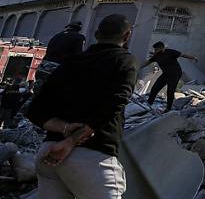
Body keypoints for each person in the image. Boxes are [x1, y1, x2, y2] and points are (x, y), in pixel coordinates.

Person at [25, 14, 137, 199]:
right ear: (127, 36)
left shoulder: (69, 63)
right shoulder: (124, 60)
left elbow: (35, 111)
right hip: (92, 159)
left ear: (96, 34)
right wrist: (70, 141)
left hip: (49, 154)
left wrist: (65, 129)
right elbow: (115, 102)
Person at [140, 42, 198, 112]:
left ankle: (168, 108)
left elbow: (182, 55)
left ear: (161, 48)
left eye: (156, 49)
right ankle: (149, 104)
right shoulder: (157, 56)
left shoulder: (170, 52)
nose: (155, 51)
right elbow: (148, 62)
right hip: (166, 73)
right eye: (154, 49)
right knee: (155, 88)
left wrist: (193, 58)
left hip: (175, 74)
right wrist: (138, 67)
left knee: (170, 91)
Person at [36, 21, 87, 91]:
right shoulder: (79, 37)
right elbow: (78, 54)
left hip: (44, 66)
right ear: (79, 29)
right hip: (59, 69)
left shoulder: (56, 36)